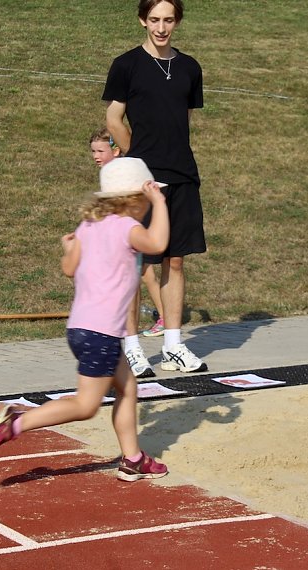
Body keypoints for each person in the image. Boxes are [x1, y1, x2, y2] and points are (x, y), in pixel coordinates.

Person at [0, 157, 170, 482]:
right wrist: (161, 203)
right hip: (102, 332)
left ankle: (133, 458)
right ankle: (16, 421)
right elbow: (158, 243)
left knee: (128, 387)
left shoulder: (88, 226)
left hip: (81, 327)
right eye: (147, 200)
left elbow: (69, 269)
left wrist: (69, 248)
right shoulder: (127, 227)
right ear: (136, 200)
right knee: (86, 405)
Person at [103, 0, 207, 377]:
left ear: (176, 22)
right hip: (140, 179)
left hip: (181, 174)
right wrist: (135, 158)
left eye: (168, 20)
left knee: (174, 260)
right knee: (134, 264)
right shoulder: (126, 64)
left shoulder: (190, 67)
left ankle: (174, 345)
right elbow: (113, 118)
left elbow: (185, 119)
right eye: (154, 20)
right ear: (143, 21)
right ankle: (130, 348)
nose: (161, 27)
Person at [90, 127, 166, 347]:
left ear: (115, 151)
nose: (96, 156)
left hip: (133, 228)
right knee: (141, 272)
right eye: (93, 151)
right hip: (125, 230)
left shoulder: (124, 172)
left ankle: (163, 317)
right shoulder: (109, 172)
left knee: (144, 271)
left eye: (100, 151)